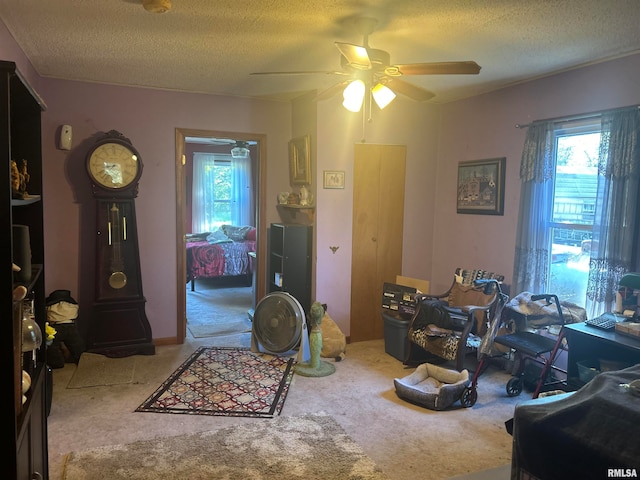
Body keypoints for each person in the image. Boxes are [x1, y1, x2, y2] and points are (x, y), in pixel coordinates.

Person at [45, 290, 85, 368]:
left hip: (55, 327)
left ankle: (57, 362)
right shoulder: (72, 304)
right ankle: (81, 359)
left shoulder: (51, 305)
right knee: (76, 344)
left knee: (51, 346)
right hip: (70, 326)